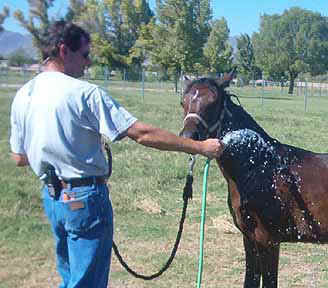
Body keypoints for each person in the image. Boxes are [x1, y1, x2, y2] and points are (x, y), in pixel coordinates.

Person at [10, 20, 224, 288]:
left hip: (53, 199)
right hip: (85, 200)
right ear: (64, 51)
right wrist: (200, 147)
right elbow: (141, 133)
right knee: (87, 283)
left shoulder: (23, 95)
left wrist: (60, 149)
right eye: (85, 55)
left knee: (70, 279)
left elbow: (18, 157)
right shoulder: (83, 93)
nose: (88, 63)